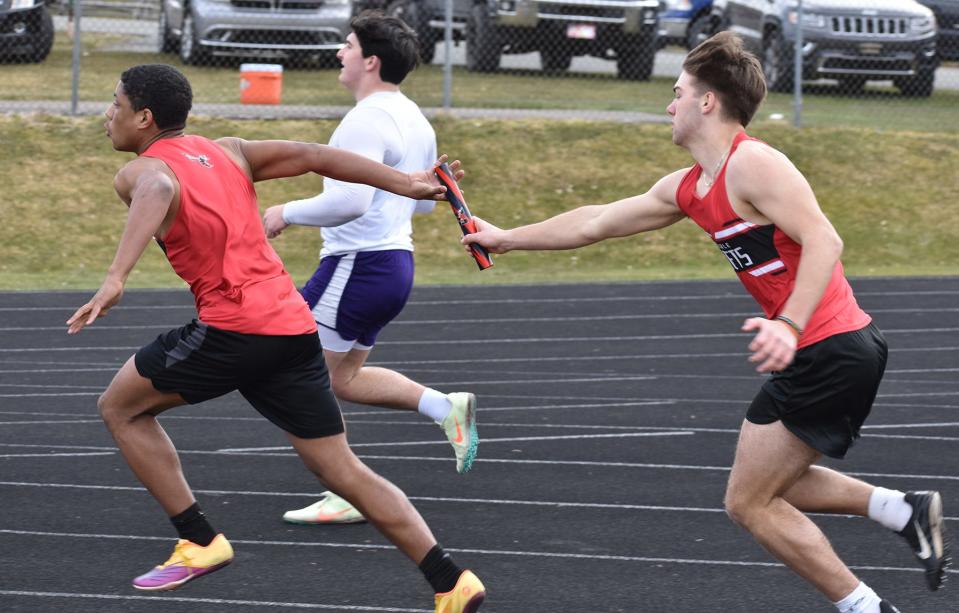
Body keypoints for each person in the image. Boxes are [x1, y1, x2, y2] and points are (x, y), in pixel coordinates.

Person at [461, 32, 949, 613]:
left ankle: (867, 607)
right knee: (769, 483)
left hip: (829, 344)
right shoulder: (691, 187)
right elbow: (596, 221)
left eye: (677, 92)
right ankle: (903, 510)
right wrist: (506, 239)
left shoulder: (755, 164)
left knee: (749, 502)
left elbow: (826, 239)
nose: (669, 105)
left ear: (707, 102)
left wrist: (788, 325)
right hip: (827, 348)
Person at [66, 63, 486, 613]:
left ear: (143, 118)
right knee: (340, 469)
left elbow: (158, 185)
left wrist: (117, 276)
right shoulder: (230, 150)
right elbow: (315, 154)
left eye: (115, 103)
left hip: (232, 329)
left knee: (120, 408)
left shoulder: (141, 170)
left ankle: (199, 541)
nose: (108, 113)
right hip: (291, 326)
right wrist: (404, 183)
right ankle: (451, 581)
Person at [262, 11, 478, 526]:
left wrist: (283, 213)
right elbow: (423, 204)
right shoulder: (416, 119)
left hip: (357, 265)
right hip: (393, 265)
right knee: (341, 378)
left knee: (292, 374)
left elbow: (350, 203)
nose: (341, 51)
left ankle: (345, 488)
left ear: (371, 61)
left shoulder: (364, 120)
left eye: (349, 45)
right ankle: (443, 407)